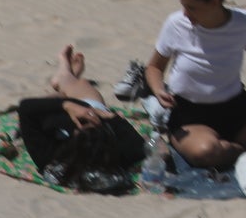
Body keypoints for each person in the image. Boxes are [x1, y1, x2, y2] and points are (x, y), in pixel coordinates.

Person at [145, 0, 246, 169]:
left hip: (235, 106)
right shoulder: (176, 24)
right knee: (205, 152)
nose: (186, 14)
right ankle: (238, 151)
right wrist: (159, 90)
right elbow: (154, 68)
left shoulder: (241, 23)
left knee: (216, 151)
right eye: (184, 6)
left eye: (192, 8)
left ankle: (231, 150)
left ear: (214, 2)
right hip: (190, 113)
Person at [9, 45, 146, 192]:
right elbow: (141, 146)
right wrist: (107, 116)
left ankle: (65, 73)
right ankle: (66, 77)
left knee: (76, 86)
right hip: (88, 109)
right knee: (81, 85)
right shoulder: (120, 158)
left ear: (72, 140)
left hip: (63, 113)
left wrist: (68, 106)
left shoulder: (50, 157)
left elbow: (26, 108)